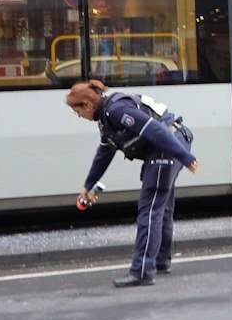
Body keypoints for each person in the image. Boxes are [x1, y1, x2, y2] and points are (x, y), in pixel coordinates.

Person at [66, 79, 200, 287]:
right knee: (161, 208)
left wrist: (185, 157)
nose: (79, 117)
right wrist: (88, 186)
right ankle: (160, 261)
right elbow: (104, 152)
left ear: (87, 105)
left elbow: (156, 130)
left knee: (150, 209)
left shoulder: (116, 111)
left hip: (167, 145)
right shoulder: (106, 117)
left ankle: (142, 271)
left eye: (78, 112)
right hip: (171, 143)